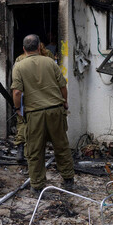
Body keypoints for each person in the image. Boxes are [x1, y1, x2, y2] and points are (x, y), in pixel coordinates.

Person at [11, 34, 74, 192]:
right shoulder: (50, 62)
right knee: (61, 146)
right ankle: (68, 180)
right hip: (55, 110)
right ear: (39, 47)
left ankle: (38, 186)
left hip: (34, 114)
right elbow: (62, 86)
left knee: (35, 150)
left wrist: (18, 109)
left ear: (24, 49)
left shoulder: (19, 65)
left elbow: (17, 92)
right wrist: (64, 102)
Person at [13, 42, 54, 162]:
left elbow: (16, 84)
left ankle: (21, 150)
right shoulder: (48, 57)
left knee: (22, 122)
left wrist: (16, 106)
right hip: (45, 97)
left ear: (25, 48)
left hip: (26, 96)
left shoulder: (20, 59)